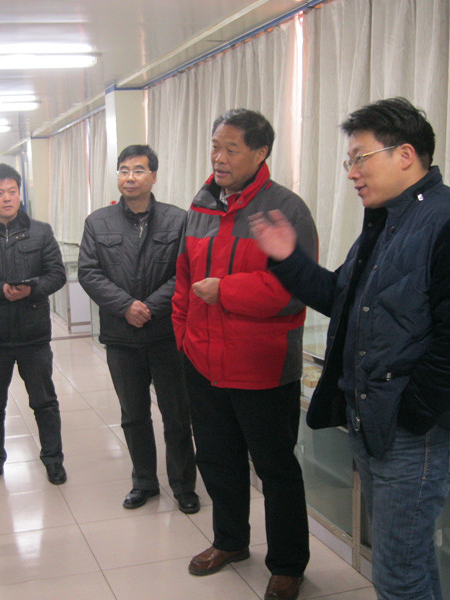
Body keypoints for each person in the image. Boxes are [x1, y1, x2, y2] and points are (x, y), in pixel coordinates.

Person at [251, 97, 450, 600]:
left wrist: (413, 413)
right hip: (376, 419)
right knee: (405, 562)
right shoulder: (386, 222)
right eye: (349, 161)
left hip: (413, 431)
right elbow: (341, 300)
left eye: (360, 158)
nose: (352, 173)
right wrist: (288, 259)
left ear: (405, 154)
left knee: (396, 574)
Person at [173, 108, 316, 600]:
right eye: (215, 146)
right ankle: (230, 541)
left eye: (231, 149)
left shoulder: (284, 209)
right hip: (204, 362)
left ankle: (288, 564)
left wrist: (226, 291)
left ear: (260, 153)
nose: (219, 157)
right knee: (216, 459)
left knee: (275, 470)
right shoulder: (201, 205)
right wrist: (184, 337)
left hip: (262, 368)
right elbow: (184, 279)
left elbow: (294, 291)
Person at [78, 144, 199, 514]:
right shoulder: (98, 222)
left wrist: (151, 307)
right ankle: (144, 481)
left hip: (166, 334)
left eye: (139, 170)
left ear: (154, 176)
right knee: (133, 415)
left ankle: (184, 485)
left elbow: (185, 271)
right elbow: (89, 272)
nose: (130, 177)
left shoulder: (178, 220)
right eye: (124, 170)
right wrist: (126, 306)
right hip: (122, 336)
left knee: (177, 415)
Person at [0, 163, 67, 487]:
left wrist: (32, 288)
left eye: (12, 191)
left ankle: (53, 459)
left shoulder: (41, 231)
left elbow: (57, 274)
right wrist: (1, 290)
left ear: (20, 194)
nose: (7, 198)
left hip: (33, 334)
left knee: (44, 402)